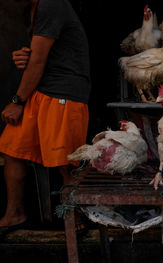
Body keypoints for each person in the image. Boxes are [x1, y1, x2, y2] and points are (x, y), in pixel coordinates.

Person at [0, 0, 91, 235]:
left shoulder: (51, 4)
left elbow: (38, 61)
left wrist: (17, 101)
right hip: (40, 91)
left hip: (63, 92)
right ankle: (14, 215)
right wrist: (23, 56)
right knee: (12, 149)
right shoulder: (32, 8)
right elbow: (37, 55)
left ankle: (77, 217)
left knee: (65, 162)